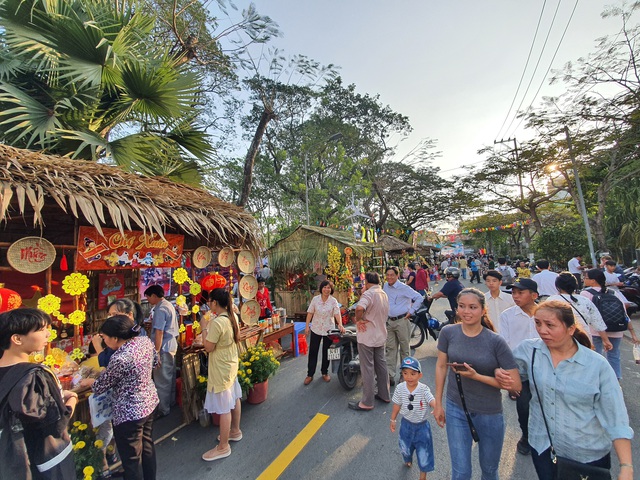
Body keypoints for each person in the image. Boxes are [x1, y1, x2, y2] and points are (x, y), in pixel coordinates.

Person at [508, 301, 634, 480]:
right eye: (538, 323)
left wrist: (626, 466)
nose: (542, 330)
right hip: (543, 446)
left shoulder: (597, 366)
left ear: (571, 329)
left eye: (550, 325)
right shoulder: (529, 350)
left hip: (587, 455)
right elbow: (509, 373)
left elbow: (616, 417)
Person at [433, 288, 521, 480]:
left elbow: (515, 385)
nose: (466, 312)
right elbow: (441, 366)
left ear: (483, 310)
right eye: (462, 306)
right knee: (461, 472)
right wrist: (438, 403)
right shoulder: (448, 333)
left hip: (489, 413)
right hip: (457, 408)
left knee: (489, 470)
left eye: (473, 307)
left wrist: (477, 376)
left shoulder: (495, 341)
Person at [0, 308, 78, 480]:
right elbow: (55, 425)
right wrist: (72, 399)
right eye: (41, 329)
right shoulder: (36, 376)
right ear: (17, 339)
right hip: (38, 462)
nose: (48, 334)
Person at [84, 314, 159, 480]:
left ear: (115, 338)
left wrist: (90, 381)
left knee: (132, 458)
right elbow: (155, 362)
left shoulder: (121, 358)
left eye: (104, 338)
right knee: (146, 446)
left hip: (129, 412)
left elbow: (101, 385)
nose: (104, 341)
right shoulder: (144, 341)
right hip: (149, 402)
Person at [200, 288, 243, 462]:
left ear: (215, 303)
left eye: (210, 301)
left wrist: (204, 328)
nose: (209, 304)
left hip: (220, 365)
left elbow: (208, 347)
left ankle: (223, 446)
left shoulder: (217, 323)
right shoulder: (233, 317)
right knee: (234, 397)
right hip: (230, 362)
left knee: (225, 405)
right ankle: (235, 431)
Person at [498, 278, 539, 456]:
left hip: (545, 367)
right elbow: (505, 345)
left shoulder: (545, 314)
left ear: (534, 295)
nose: (515, 296)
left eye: (520, 292)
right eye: (513, 292)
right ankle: (527, 436)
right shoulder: (507, 316)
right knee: (523, 406)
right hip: (520, 371)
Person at [581, 269, 638, 380]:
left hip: (595, 331)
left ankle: (597, 380)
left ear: (593, 280)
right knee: (614, 356)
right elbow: (624, 314)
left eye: (586, 278)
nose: (584, 280)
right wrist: (633, 333)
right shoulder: (613, 292)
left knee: (595, 355)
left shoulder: (585, 293)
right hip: (616, 330)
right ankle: (616, 379)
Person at [349, 272, 390, 411]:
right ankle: (385, 394)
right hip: (380, 335)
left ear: (367, 281)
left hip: (367, 336)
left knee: (367, 369)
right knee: (381, 366)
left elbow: (359, 308)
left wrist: (359, 319)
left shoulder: (368, 294)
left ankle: (367, 402)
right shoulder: (383, 293)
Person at [390, 357, 435, 480]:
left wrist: (436, 407)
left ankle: (422, 477)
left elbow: (431, 399)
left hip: (422, 428)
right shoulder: (400, 388)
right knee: (405, 448)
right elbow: (397, 405)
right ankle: (408, 458)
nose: (409, 377)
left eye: (413, 374)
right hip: (406, 425)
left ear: (420, 375)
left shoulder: (424, 389)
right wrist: (393, 419)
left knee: (424, 453)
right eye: (405, 373)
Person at [547, 272, 612, 350]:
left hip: (560, 340)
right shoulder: (585, 301)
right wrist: (606, 340)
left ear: (557, 286)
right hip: (584, 339)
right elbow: (598, 322)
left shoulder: (551, 301)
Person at [383, 267, 424, 385]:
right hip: (390, 321)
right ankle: (390, 375)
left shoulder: (404, 288)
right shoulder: (385, 286)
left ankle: (404, 374)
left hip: (402, 321)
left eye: (392, 275)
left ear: (397, 276)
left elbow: (419, 298)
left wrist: (411, 311)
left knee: (405, 349)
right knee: (390, 349)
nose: (389, 277)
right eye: (388, 275)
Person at [144, 285, 178, 418]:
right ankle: (170, 402)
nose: (147, 300)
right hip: (171, 344)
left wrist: (156, 351)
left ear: (153, 296)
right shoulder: (168, 305)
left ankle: (163, 409)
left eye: (148, 297)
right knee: (169, 376)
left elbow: (159, 331)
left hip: (164, 347)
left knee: (162, 379)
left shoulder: (160, 308)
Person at [304, 280, 345, 385]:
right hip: (316, 328)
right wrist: (307, 326)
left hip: (328, 330)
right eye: (324, 287)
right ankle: (310, 374)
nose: (326, 289)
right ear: (321, 288)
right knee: (313, 351)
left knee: (327, 352)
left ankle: (324, 372)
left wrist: (340, 324)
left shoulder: (333, 301)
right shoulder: (315, 299)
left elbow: (337, 314)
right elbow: (310, 313)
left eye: (329, 288)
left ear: (331, 290)